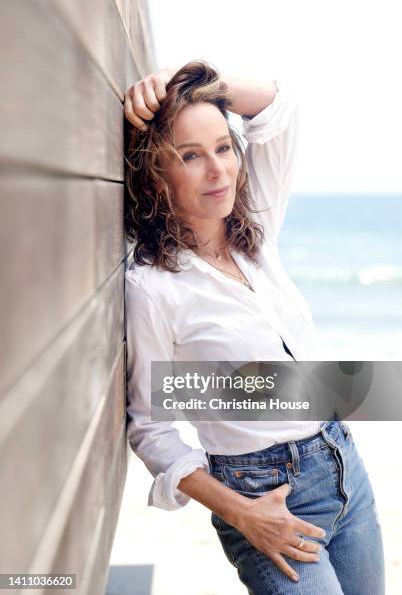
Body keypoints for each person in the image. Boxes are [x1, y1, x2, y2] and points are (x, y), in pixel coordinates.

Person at [123, 60, 385, 594]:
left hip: (341, 463)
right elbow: (151, 428)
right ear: (155, 172)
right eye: (190, 156)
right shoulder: (153, 285)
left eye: (224, 147)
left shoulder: (256, 231)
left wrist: (191, 81)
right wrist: (242, 514)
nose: (218, 171)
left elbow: (279, 108)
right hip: (262, 494)